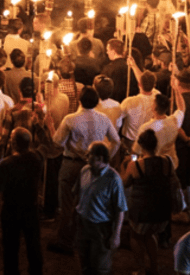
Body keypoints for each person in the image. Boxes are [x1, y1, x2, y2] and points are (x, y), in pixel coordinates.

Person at [52, 87, 121, 253]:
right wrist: (105, 158)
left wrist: (49, 127)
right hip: (94, 166)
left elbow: (58, 142)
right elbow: (116, 141)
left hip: (72, 164)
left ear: (79, 100)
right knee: (87, 201)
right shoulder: (103, 119)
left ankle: (65, 240)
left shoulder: (71, 119)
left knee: (67, 204)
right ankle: (83, 237)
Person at [0, 126, 43, 275]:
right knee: (33, 243)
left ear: (14, 143)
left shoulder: (6, 164)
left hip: (11, 209)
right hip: (31, 207)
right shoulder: (36, 158)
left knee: (10, 247)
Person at [123, 129, 174, 275]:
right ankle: (154, 267)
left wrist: (123, 166)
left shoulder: (136, 165)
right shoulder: (167, 161)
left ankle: (140, 269)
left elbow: (125, 183)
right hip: (161, 209)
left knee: (135, 236)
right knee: (150, 235)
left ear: (141, 145)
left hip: (142, 210)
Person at [74, 141, 127, 275]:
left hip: (101, 228)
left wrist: (116, 236)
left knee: (100, 266)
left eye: (90, 154)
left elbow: (120, 209)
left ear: (100, 158)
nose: (86, 155)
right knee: (83, 260)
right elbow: (78, 194)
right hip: (83, 223)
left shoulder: (113, 179)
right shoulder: (84, 170)